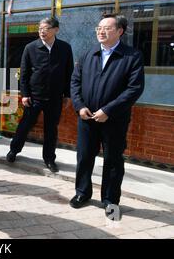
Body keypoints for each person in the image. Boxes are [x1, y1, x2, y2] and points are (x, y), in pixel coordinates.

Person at [70, 14, 144, 219]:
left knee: (112, 160)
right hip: (87, 118)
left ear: (120, 31)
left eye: (107, 28)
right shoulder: (88, 54)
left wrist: (108, 110)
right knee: (84, 157)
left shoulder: (131, 56)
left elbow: (134, 89)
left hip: (114, 120)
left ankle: (110, 200)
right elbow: (75, 82)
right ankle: (82, 193)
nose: (101, 31)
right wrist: (79, 106)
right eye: (98, 28)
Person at [6, 17, 74, 173]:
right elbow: (24, 74)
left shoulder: (65, 48)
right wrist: (25, 94)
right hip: (34, 97)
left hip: (55, 97)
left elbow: (68, 73)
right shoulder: (31, 47)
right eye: (40, 28)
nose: (42, 31)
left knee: (51, 129)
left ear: (56, 29)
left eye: (46, 28)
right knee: (24, 126)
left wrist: (67, 95)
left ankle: (49, 159)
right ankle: (14, 150)